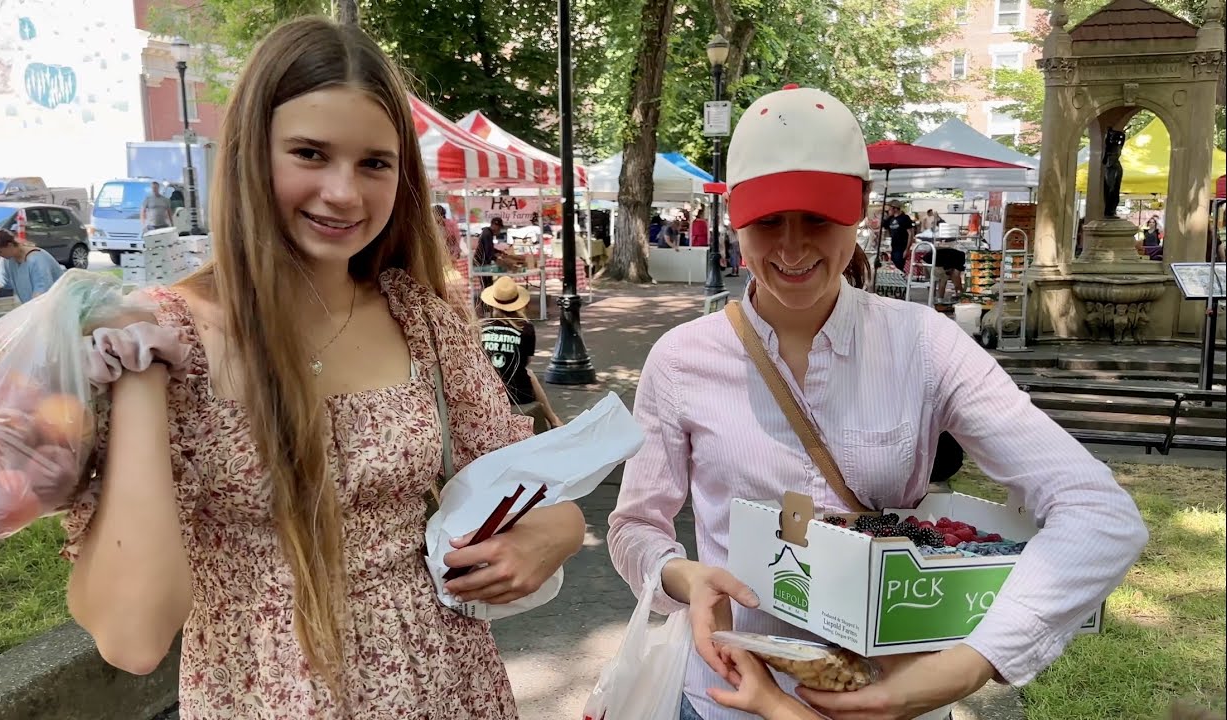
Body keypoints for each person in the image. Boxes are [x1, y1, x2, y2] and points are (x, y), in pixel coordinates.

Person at [61, 17, 585, 719]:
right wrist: (140, 381)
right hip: (261, 691)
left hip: (449, 684)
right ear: (251, 154)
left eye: (375, 162)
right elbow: (133, 638)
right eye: (310, 153)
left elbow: (532, 488)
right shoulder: (160, 338)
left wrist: (558, 531)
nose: (345, 193)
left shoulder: (421, 318)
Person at [607, 85, 1147, 720]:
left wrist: (966, 666)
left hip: (897, 697)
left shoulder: (924, 344)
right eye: (768, 221)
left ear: (860, 209)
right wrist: (684, 577)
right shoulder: (681, 359)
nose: (791, 246)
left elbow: (1100, 512)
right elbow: (634, 526)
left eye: (817, 217)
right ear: (734, 220)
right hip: (729, 698)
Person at [479, 276, 562, 434]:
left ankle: (554, 419)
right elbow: (526, 361)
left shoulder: (482, 328)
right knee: (529, 374)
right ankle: (553, 419)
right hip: (520, 394)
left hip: (490, 392)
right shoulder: (526, 328)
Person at [0, 228, 65, 304]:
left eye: (0, 251)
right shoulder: (7, 260)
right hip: (33, 307)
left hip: (54, 306)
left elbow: (41, 293)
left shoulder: (37, 260)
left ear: (10, 245)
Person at [884, 200, 915, 271]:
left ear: (895, 209)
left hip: (901, 248)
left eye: (890, 208)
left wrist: (907, 249)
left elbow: (910, 233)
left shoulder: (904, 218)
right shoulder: (890, 219)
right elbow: (883, 227)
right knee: (893, 267)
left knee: (899, 267)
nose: (888, 210)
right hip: (893, 247)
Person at [475, 216, 503, 288]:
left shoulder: (488, 232)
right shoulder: (487, 234)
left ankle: (488, 298)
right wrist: (499, 260)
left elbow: (490, 248)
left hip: (484, 262)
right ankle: (485, 298)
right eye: (499, 228)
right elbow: (488, 252)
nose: (499, 230)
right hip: (481, 263)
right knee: (486, 285)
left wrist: (499, 252)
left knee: (489, 284)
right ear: (494, 225)